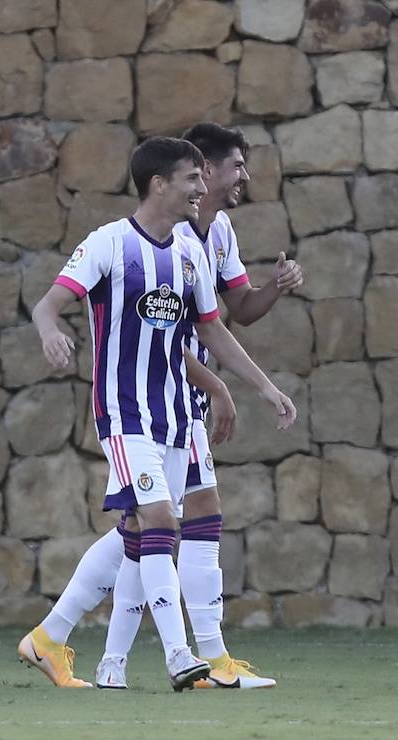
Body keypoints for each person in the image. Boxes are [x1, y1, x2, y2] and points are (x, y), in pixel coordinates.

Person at [16, 136, 296, 692]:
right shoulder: (110, 244)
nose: (202, 187)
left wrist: (263, 386)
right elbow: (48, 303)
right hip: (124, 414)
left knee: (140, 533)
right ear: (159, 184)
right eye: (193, 178)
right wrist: (50, 331)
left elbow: (214, 326)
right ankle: (182, 657)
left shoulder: (192, 251)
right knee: (162, 525)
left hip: (173, 413)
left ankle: (69, 647)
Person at [94, 122, 303, 690]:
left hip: (186, 398)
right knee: (149, 528)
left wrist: (275, 288)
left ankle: (145, 661)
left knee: (165, 526)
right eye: (236, 166)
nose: (245, 177)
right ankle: (188, 658)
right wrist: (218, 385)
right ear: (201, 173)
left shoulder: (217, 233)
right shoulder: (146, 239)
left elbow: (233, 312)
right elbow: (163, 332)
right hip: (150, 401)